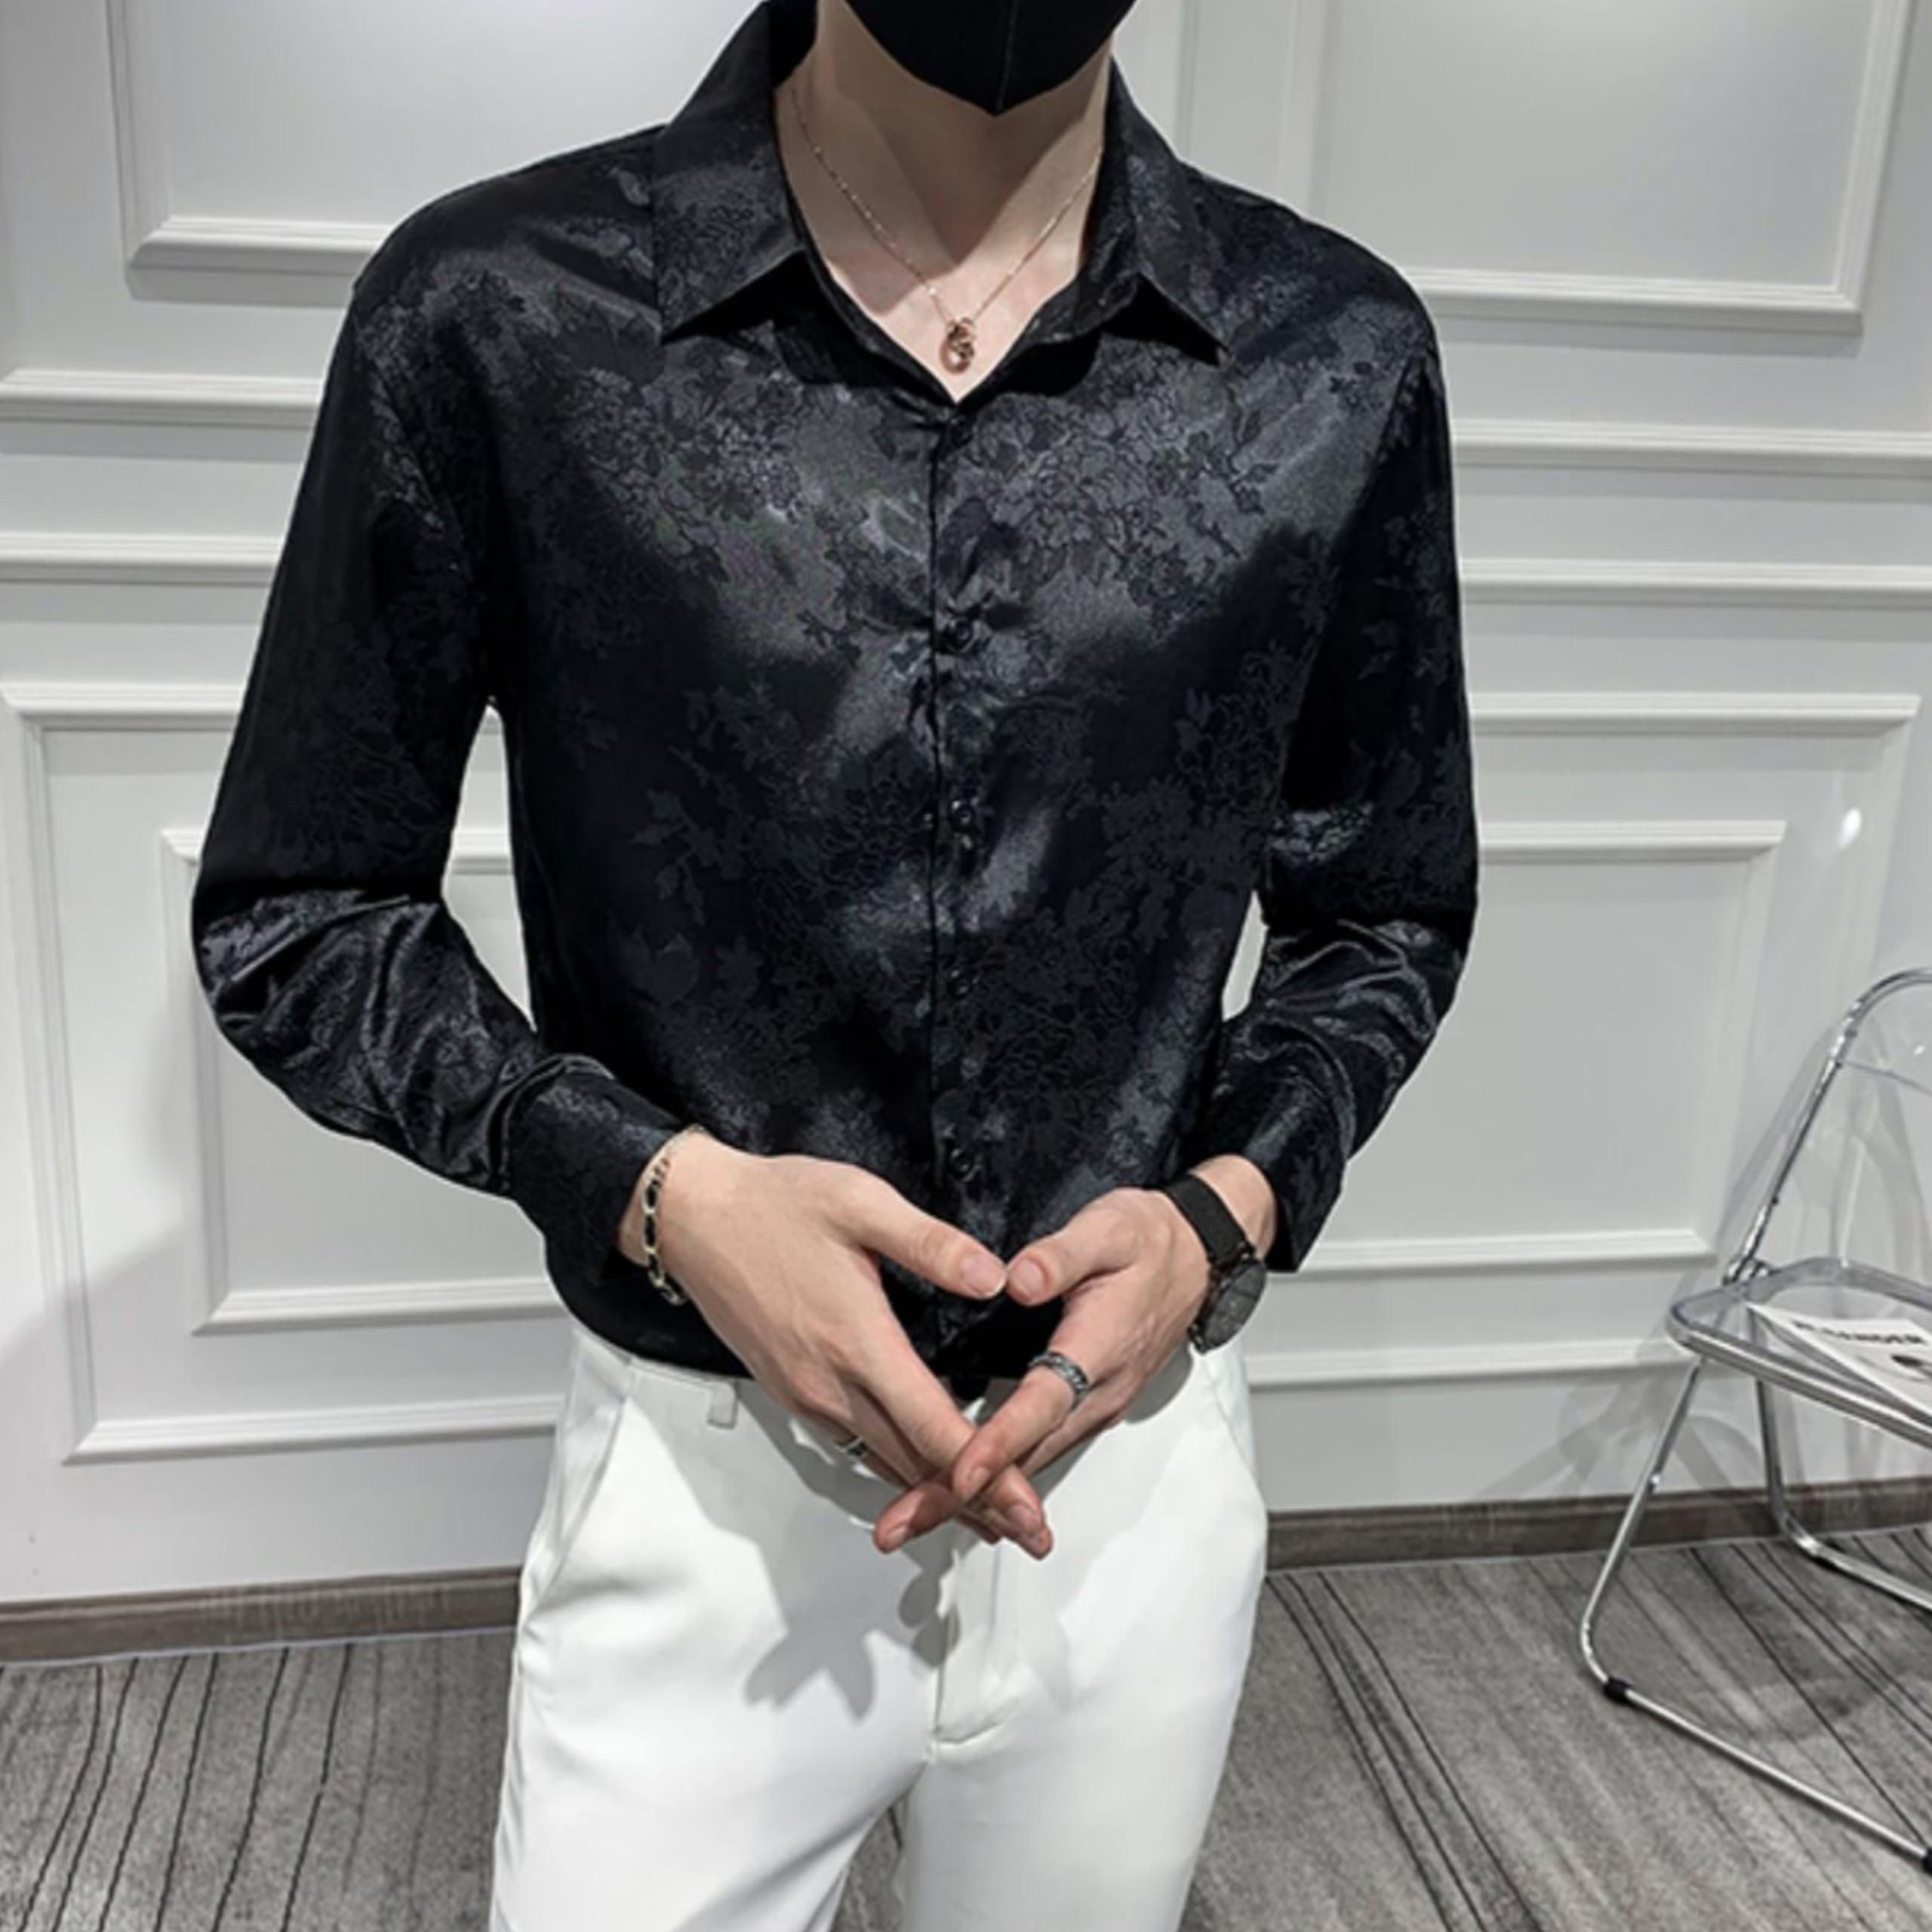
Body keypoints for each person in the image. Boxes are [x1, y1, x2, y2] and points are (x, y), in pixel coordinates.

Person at [189, 0, 1480, 1925]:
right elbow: (300, 907)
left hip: (1125, 1480)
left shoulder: (1329, 351)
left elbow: (1382, 905)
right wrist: (659, 1187)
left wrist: (1221, 1210)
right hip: (704, 1488)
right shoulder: (500, 311)